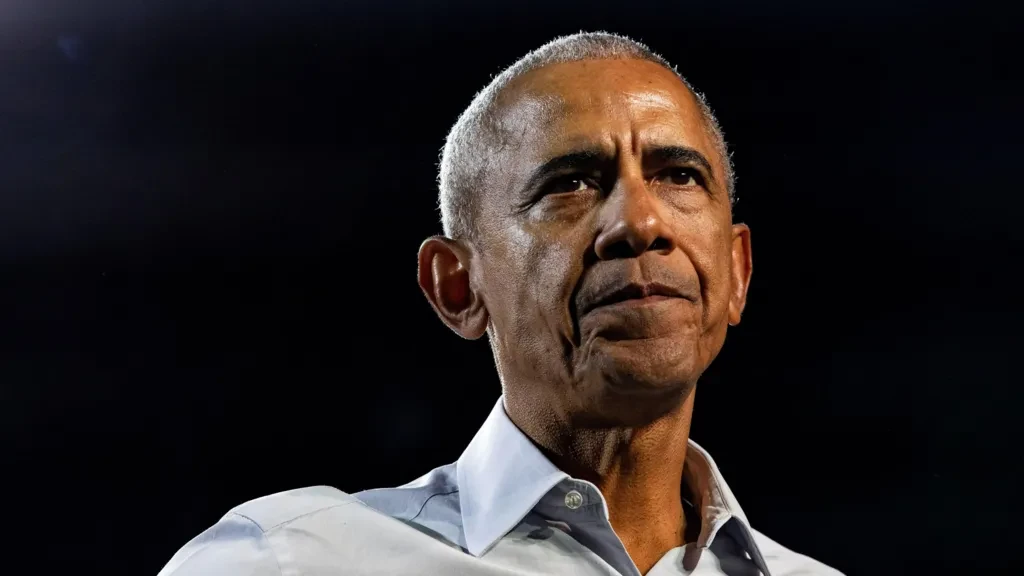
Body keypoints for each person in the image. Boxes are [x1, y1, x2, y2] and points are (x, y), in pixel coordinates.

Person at [158, 32, 843, 576]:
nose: (640, 222)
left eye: (680, 176)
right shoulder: (288, 561)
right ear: (458, 287)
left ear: (736, 272)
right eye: (570, 184)